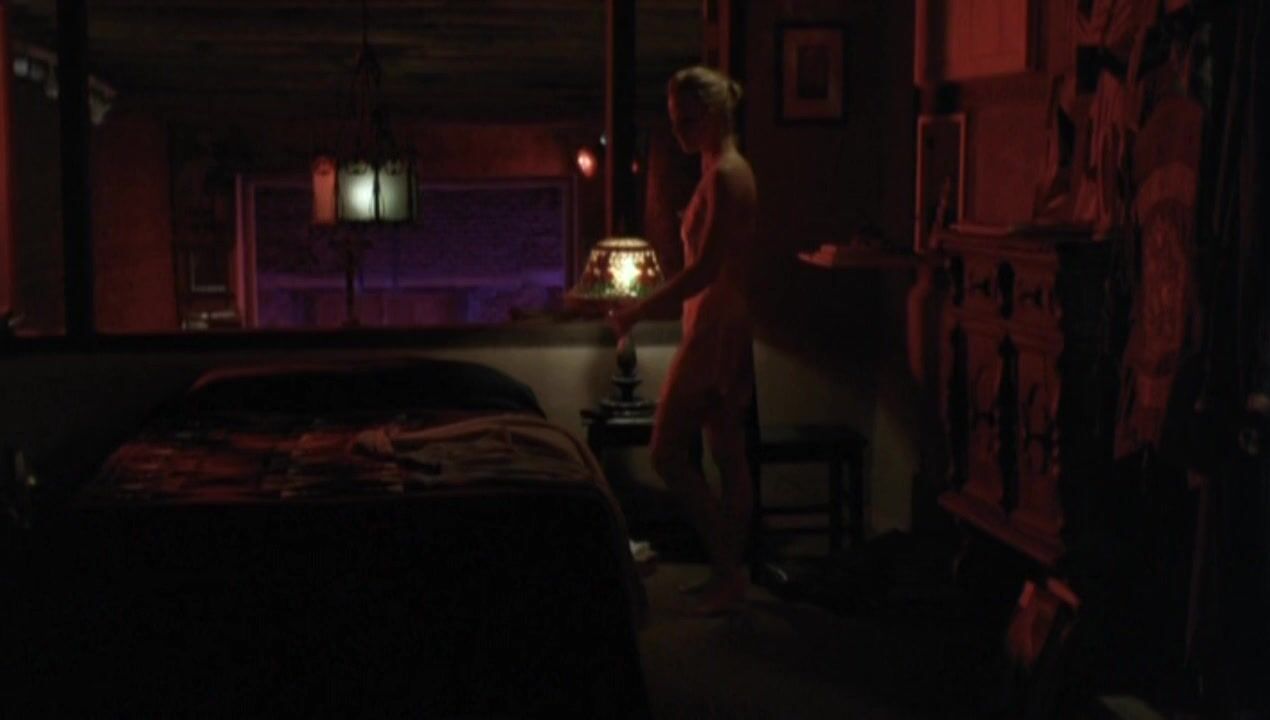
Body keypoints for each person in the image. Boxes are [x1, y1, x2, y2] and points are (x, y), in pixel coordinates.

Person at [608, 65, 758, 616]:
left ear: (714, 113)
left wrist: (639, 309)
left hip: (715, 323)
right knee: (725, 451)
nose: (678, 133)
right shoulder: (722, 170)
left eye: (687, 121)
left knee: (667, 450)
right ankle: (728, 572)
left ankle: (728, 565)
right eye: (673, 121)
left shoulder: (726, 176)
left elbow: (706, 269)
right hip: (719, 320)